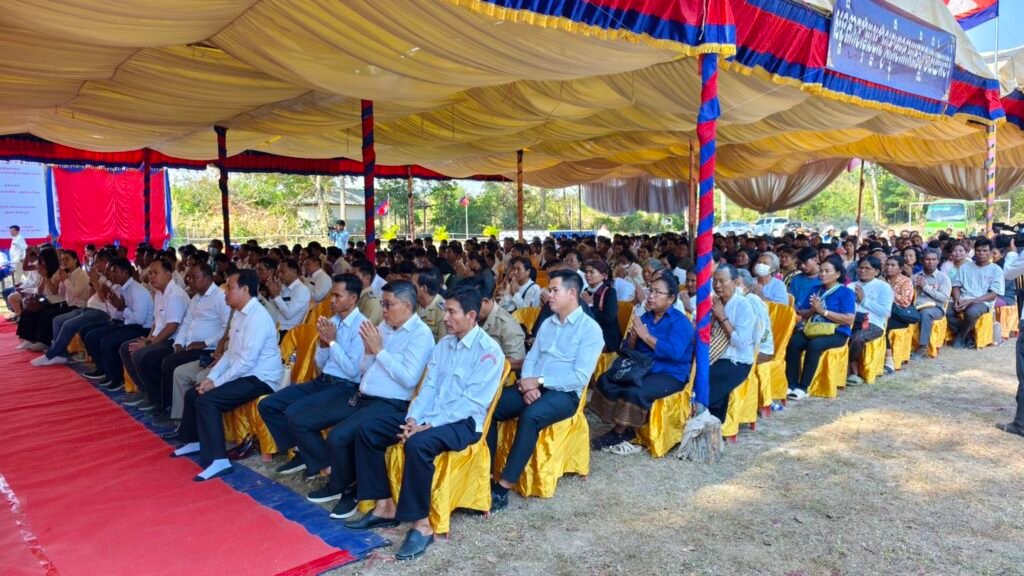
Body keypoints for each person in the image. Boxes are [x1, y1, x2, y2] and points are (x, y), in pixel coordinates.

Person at [344, 286, 505, 561]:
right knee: (369, 429)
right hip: (429, 416)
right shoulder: (444, 345)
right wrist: (413, 419)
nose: (446, 317)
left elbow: (471, 403)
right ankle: (385, 507)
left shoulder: (488, 352)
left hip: (462, 423)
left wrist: (427, 425)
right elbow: (427, 389)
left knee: (418, 444)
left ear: (471, 315)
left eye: (452, 312)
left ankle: (422, 525)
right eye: (445, 311)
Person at [487, 270, 603, 511]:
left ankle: (504, 486)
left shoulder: (590, 329)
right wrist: (527, 382)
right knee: (492, 405)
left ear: (572, 293)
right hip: (534, 384)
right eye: (549, 290)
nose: (548, 295)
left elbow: (579, 377)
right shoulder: (548, 323)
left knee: (531, 416)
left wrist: (539, 381)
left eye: (554, 290)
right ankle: (486, 474)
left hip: (565, 394)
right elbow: (532, 357)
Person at [171, 269, 284, 481]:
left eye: (230, 288)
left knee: (208, 400)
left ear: (245, 289)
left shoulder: (258, 317)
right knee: (194, 393)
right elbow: (230, 353)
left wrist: (217, 383)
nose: (225, 292)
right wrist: (211, 377)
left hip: (261, 378)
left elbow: (246, 362)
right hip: (245, 373)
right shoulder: (238, 314)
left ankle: (219, 460)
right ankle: (195, 440)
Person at [258, 274, 368, 483]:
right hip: (324, 380)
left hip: (346, 387)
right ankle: (302, 451)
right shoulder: (331, 322)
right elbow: (321, 364)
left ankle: (325, 466)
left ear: (353, 299)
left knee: (294, 412)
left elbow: (353, 371)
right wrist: (324, 346)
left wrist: (332, 343)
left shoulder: (362, 326)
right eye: (331, 295)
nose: (331, 300)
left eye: (337, 296)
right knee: (268, 405)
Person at [590, 274, 694, 450]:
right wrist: (632, 338)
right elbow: (628, 349)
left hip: (669, 373)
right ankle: (619, 420)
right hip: (644, 367)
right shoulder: (646, 317)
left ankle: (620, 432)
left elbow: (674, 353)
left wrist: (645, 336)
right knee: (607, 378)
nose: (651, 296)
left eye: (657, 292)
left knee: (634, 391)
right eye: (650, 291)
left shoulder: (680, 322)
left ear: (670, 298)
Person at [136, 263, 229, 420]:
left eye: (194, 277)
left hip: (208, 348)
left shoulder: (219, 297)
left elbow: (226, 329)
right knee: (164, 359)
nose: (190, 281)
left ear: (208, 279)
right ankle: (160, 401)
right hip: (189, 345)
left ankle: (168, 407)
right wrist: (178, 343)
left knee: (169, 362)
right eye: (189, 277)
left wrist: (205, 343)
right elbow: (186, 323)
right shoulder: (196, 298)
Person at [117, 258, 190, 410]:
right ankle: (145, 390)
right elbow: (156, 323)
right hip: (159, 337)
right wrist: (148, 339)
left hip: (173, 341)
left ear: (168, 275)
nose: (151, 276)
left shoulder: (174, 295)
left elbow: (171, 328)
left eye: (156, 273)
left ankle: (155, 398)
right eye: (150, 273)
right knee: (126, 348)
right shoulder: (158, 293)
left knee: (142, 355)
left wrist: (148, 344)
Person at [786, 256, 856, 400]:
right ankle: (791, 384)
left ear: (837, 274)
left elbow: (849, 319)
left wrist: (823, 311)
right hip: (814, 328)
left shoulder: (845, 292)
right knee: (794, 342)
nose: (822, 274)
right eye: (821, 271)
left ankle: (803, 387)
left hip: (837, 332)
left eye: (827, 271)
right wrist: (813, 310)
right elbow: (802, 313)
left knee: (815, 345)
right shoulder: (816, 289)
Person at [82, 258, 155, 391]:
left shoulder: (136, 290)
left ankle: (117, 378)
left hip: (142, 329)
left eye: (115, 271)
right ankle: (104, 370)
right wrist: (115, 305)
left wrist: (122, 308)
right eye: (111, 271)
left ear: (125, 272)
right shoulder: (121, 288)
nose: (112, 274)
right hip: (127, 324)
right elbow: (120, 315)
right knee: (91, 336)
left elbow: (139, 320)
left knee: (108, 342)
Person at [34, 250, 116, 366]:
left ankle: (50, 354)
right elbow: (65, 294)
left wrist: (93, 282)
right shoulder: (99, 276)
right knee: (57, 320)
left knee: (68, 325)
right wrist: (63, 281)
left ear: (105, 262)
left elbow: (102, 298)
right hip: (88, 307)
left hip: (99, 311)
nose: (95, 265)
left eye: (97, 262)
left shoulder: (107, 278)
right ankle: (61, 354)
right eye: (62, 259)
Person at [707, 264, 759, 422]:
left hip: (736, 360)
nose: (717, 285)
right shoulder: (714, 302)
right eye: (714, 281)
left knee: (706, 377)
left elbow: (741, 343)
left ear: (735, 282)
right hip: (713, 355)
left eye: (722, 281)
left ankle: (710, 419)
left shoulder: (743, 305)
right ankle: (712, 421)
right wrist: (712, 318)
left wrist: (722, 317)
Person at [946, 238, 1003, 348]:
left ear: (991, 252)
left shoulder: (996, 270)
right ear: (974, 251)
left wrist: (972, 301)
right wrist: (957, 299)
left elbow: (994, 294)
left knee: (971, 312)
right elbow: (956, 285)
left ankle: (961, 337)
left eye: (985, 251)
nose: (981, 253)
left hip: (983, 301)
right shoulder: (965, 267)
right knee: (945, 311)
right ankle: (968, 337)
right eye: (978, 250)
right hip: (963, 298)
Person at [847, 256, 893, 385]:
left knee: (857, 338)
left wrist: (864, 301)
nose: (863, 271)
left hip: (874, 323)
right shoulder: (851, 286)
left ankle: (853, 371)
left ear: (876, 271)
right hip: (851, 320)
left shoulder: (883, 287)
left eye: (867, 268)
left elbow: (886, 312)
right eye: (860, 268)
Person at [911, 249, 952, 359]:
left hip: (936, 308)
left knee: (926, 313)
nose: (931, 262)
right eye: (927, 259)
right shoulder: (915, 277)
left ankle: (923, 347)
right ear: (922, 261)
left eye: (934, 259)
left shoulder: (943, 278)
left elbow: (944, 298)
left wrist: (925, 287)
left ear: (938, 261)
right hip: (917, 306)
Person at [882, 255, 916, 374]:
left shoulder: (905, 281)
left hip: (899, 316)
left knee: (882, 326)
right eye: (887, 264)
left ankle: (889, 360)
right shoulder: (882, 279)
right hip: (883, 313)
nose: (889, 267)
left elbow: (906, 302)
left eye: (893, 265)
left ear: (900, 269)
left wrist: (887, 290)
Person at [581, 259, 621, 352]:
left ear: (603, 276)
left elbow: (608, 318)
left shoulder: (609, 292)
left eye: (592, 272)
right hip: (588, 332)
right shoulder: (586, 292)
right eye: (586, 272)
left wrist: (590, 305)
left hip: (606, 336)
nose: (587, 275)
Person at [268, 258, 312, 337]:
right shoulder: (283, 286)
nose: (279, 275)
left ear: (294, 272)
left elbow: (289, 314)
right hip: (274, 325)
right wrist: (272, 295)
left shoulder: (302, 290)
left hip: (286, 332)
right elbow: (273, 308)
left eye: (283, 272)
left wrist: (276, 295)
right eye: (278, 272)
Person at [412, 271, 447, 342]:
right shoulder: (412, 303)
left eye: (413, 286)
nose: (409, 288)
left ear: (423, 288)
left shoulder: (442, 311)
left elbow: (442, 343)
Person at [788, 247, 822, 312]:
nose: (802, 266)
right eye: (800, 263)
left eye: (805, 262)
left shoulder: (824, 278)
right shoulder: (796, 278)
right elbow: (791, 300)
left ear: (815, 259)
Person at [353, 261, 384, 325]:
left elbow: (365, 328)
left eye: (354, 276)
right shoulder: (358, 296)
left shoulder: (373, 301)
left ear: (367, 278)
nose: (350, 279)